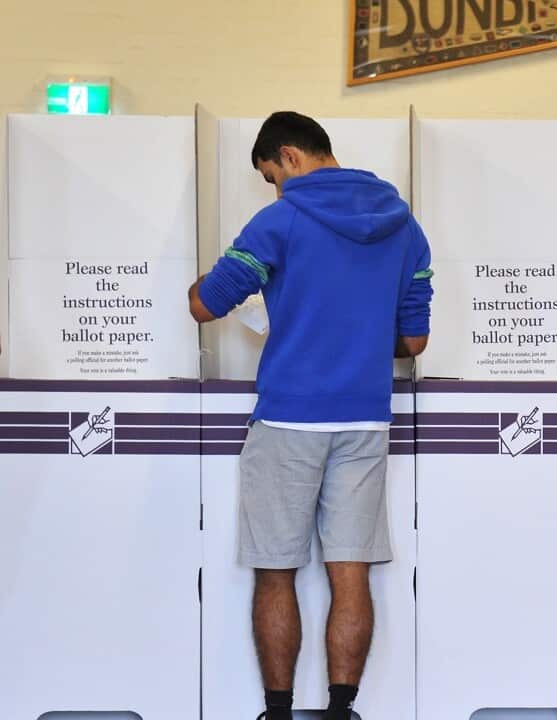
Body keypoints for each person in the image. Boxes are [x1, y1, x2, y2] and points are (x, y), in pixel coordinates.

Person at [188, 111, 433, 720]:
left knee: (276, 571)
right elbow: (414, 342)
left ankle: (278, 713)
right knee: (351, 573)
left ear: (291, 157)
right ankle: (341, 711)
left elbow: (206, 305)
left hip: (289, 418)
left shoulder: (281, 220)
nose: (275, 189)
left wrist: (206, 283)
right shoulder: (405, 225)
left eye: (272, 175)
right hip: (366, 420)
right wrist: (359, 331)